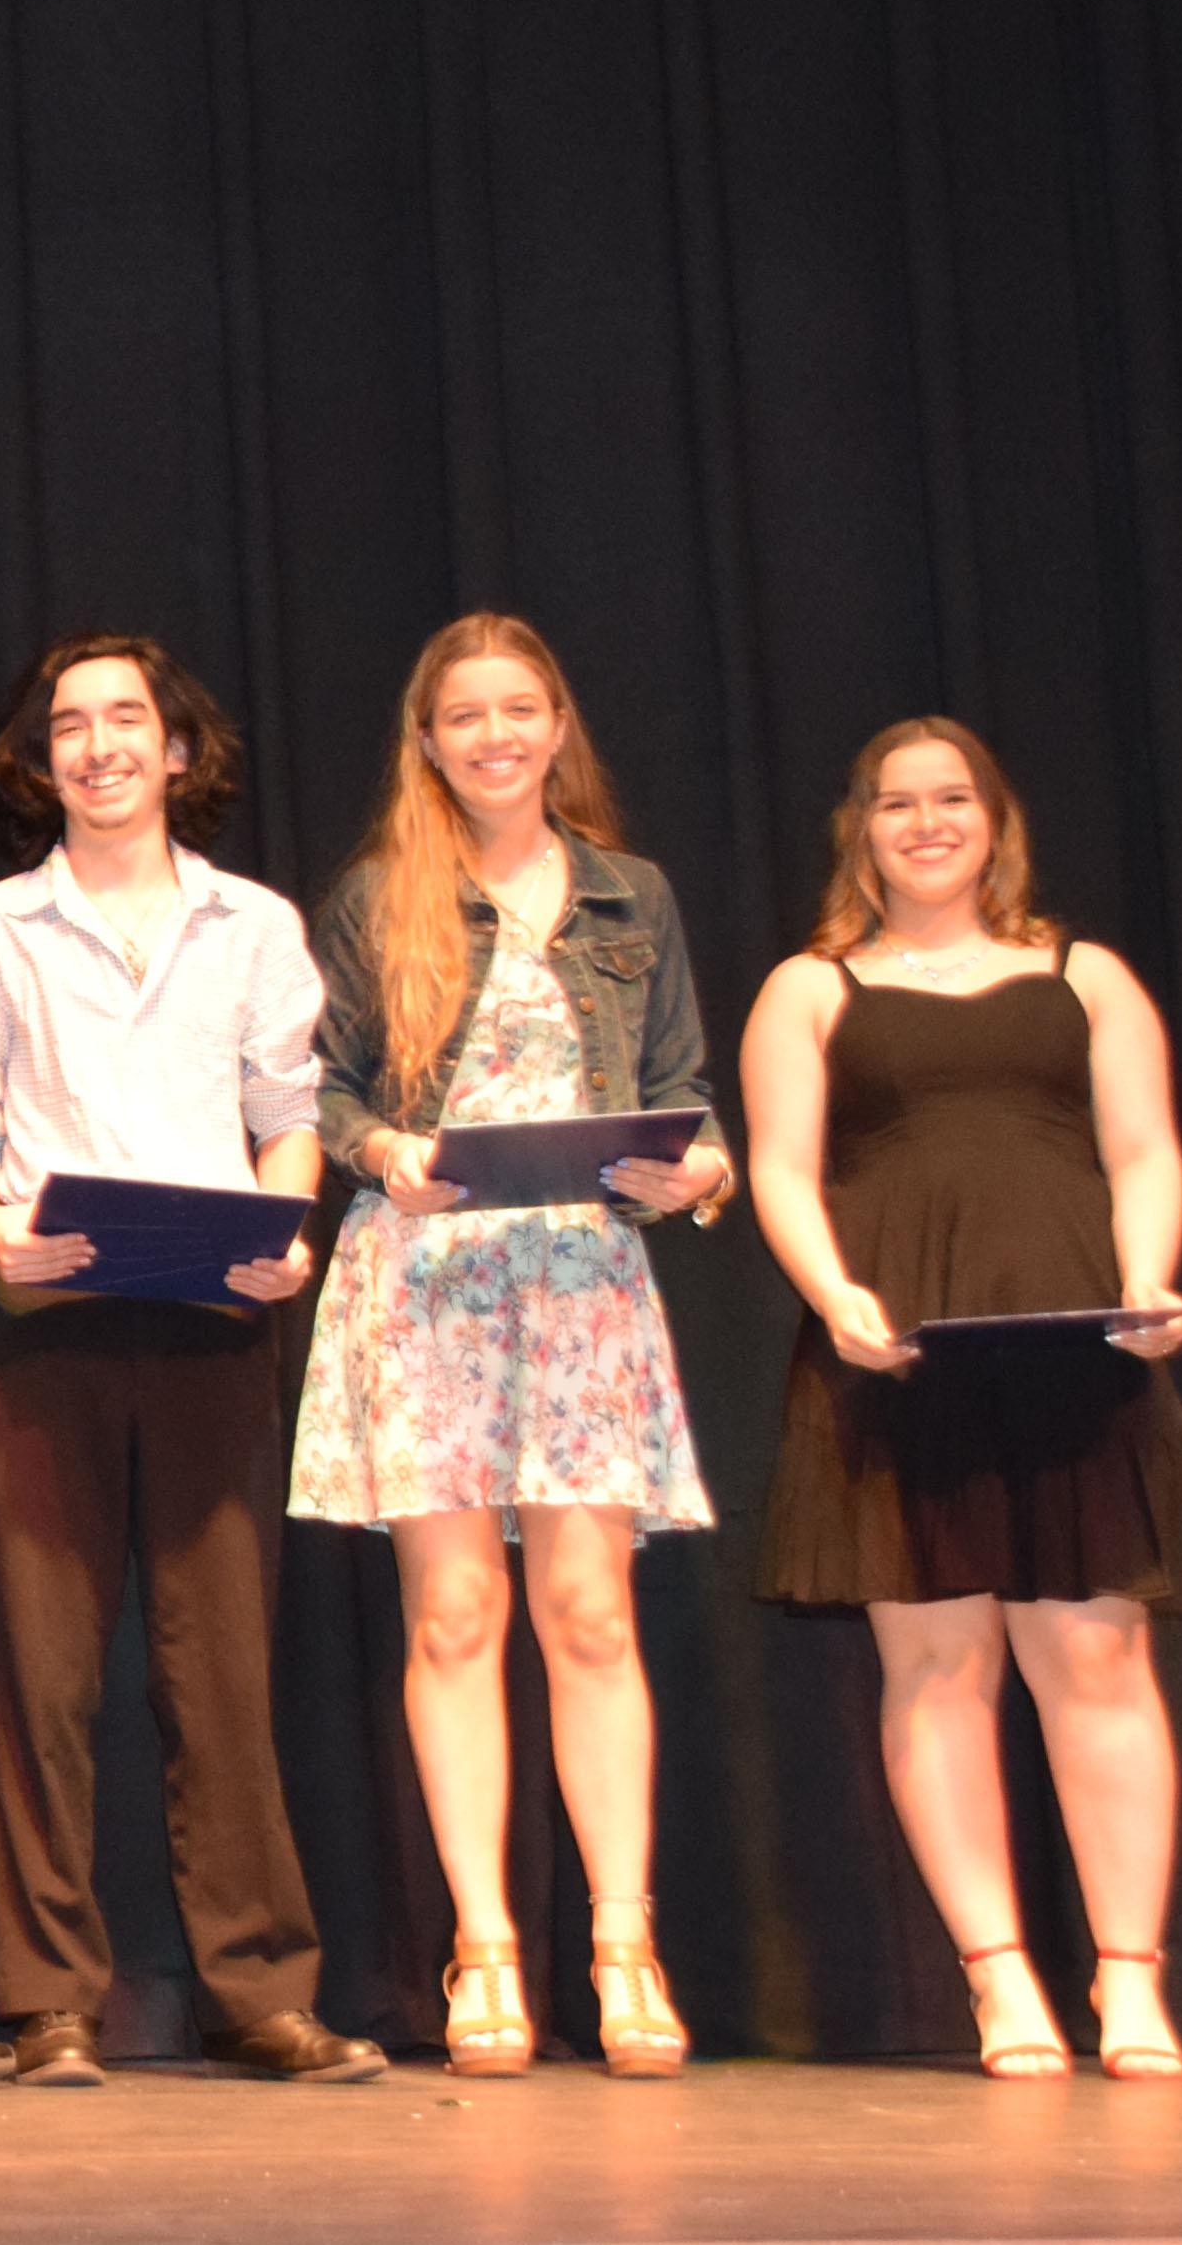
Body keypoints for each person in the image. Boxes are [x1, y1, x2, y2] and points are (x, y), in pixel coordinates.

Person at [0, 632, 379, 2085]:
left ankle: (261, 1994)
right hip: (48, 1316)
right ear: (41, 759)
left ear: (178, 752)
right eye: (70, 724)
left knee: (220, 1672)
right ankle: (51, 1998)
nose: (99, 745)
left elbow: (287, 1112)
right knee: (44, 1675)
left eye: (126, 719)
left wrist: (288, 1228)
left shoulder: (255, 925)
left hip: (210, 1316)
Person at [741, 715, 1182, 2083]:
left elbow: (1143, 1147)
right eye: (898, 803)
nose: (927, 823)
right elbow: (781, 1167)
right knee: (940, 1665)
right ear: (861, 829)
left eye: (952, 799)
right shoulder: (811, 987)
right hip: (899, 1354)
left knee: (1098, 1656)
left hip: (1073, 1343)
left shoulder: (1085, 975)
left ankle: (1130, 1977)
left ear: (995, 820)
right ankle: (999, 1977)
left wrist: (1145, 1282)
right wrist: (837, 1298)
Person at [291, 613, 731, 2079]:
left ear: (557, 727)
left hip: (582, 1279)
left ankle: (623, 1945)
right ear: (427, 741)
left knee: (592, 1616)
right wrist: (383, 1151)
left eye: (519, 709)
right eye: (466, 715)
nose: (495, 736)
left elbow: (682, 1089)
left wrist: (698, 1169)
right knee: (455, 1617)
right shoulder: (378, 897)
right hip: (429, 1276)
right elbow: (327, 1090)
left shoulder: (629, 894)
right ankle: (482, 1945)